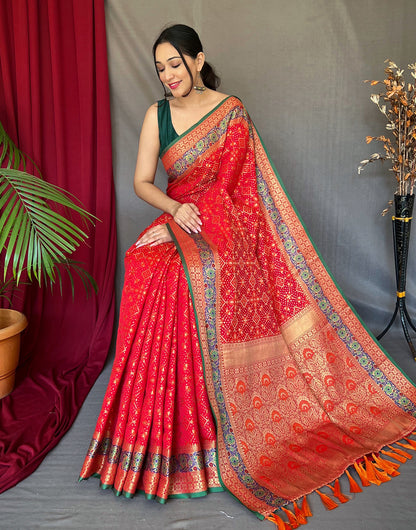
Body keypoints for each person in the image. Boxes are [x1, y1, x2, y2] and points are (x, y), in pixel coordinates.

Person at [80, 24, 416, 527]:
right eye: (160, 69)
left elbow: (243, 191)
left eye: (176, 64)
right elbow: (140, 181)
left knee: (200, 275)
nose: (169, 76)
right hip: (181, 216)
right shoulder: (158, 115)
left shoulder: (230, 112)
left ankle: (218, 426)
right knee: (147, 267)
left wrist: (197, 219)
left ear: (198, 60)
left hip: (229, 226)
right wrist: (174, 213)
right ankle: (155, 431)